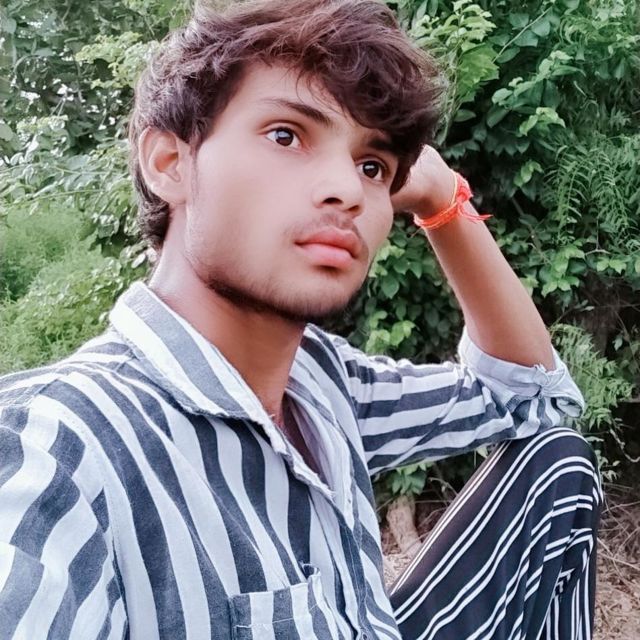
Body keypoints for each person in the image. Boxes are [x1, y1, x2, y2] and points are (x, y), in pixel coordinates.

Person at [0, 0, 602, 638]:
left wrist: (443, 200)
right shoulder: (53, 447)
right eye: (286, 135)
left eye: (373, 166)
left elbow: (529, 395)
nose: (347, 189)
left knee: (558, 466)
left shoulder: (322, 383)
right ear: (170, 163)